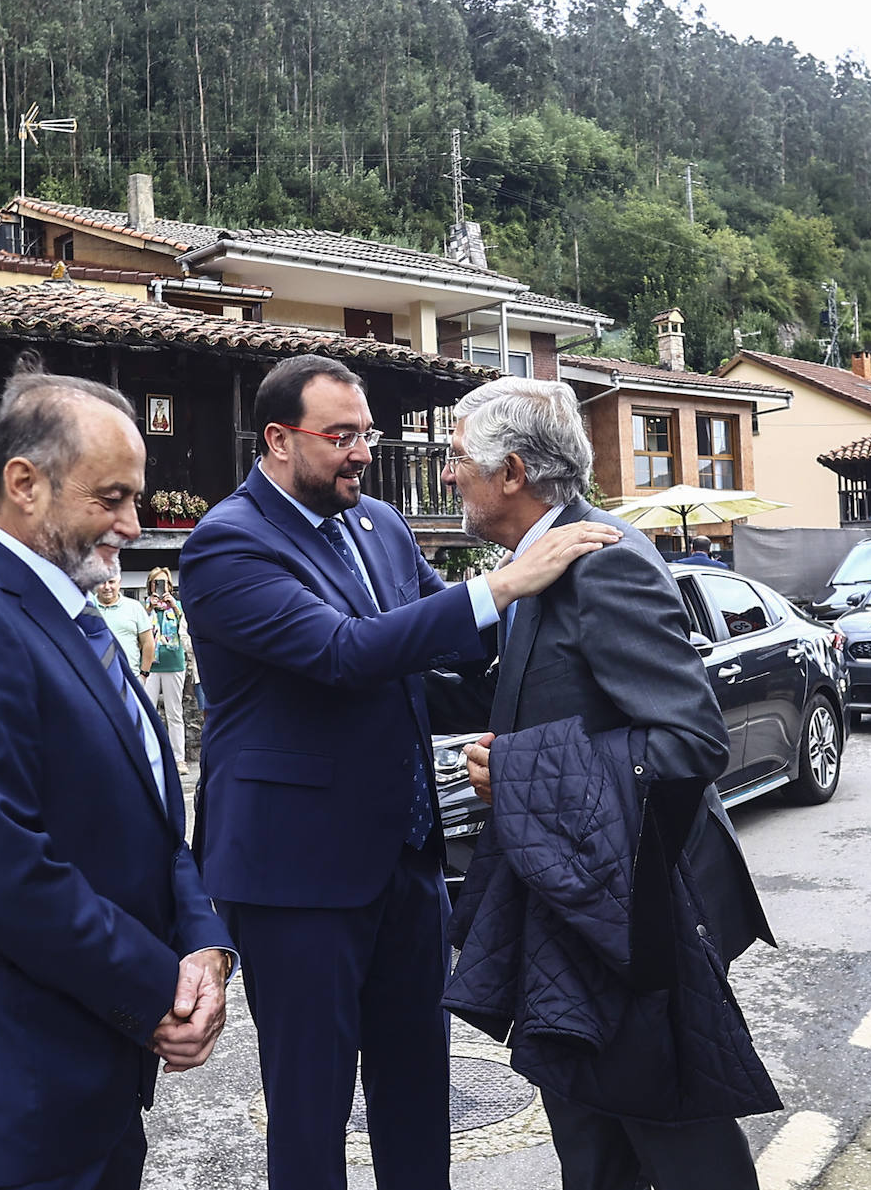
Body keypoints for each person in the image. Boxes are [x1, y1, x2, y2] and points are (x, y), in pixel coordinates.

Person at [178, 353, 621, 1190]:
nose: (362, 452)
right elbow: (343, 654)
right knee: (309, 1110)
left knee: (419, 1089)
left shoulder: (377, 523)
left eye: (367, 433)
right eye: (340, 436)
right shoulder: (226, 544)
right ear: (277, 439)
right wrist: (505, 582)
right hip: (294, 876)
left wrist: (559, 665)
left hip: (408, 862)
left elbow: (437, 660)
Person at [0, 368, 234, 1190]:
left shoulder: (69, 614)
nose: (135, 524)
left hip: (87, 1091)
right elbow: (6, 874)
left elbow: (151, 815)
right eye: (113, 497)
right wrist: (159, 982)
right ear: (24, 483)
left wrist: (203, 942)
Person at [439, 377, 779, 1190]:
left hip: (641, 908)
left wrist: (521, 771)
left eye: (457, 458)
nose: (449, 475)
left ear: (512, 470)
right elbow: (533, 690)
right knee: (592, 1144)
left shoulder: (604, 561)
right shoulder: (538, 562)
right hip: (583, 903)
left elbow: (691, 742)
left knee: (678, 1139)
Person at [143, 567, 193, 774]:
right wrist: (148, 609)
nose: (160, 587)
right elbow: (140, 631)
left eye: (163, 583)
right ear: (150, 586)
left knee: (175, 713)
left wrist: (176, 608)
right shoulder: (143, 608)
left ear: (170, 586)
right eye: (156, 583)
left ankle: (178, 759)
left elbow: (189, 628)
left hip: (174, 664)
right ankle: (148, 755)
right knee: (148, 711)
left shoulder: (178, 606)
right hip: (151, 666)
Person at [94, 565, 154, 679]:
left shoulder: (134, 607)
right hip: (97, 679)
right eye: (102, 582)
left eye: (111, 582)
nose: (107, 587)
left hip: (129, 677)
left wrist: (144, 674)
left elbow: (148, 642)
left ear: (119, 583)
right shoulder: (87, 608)